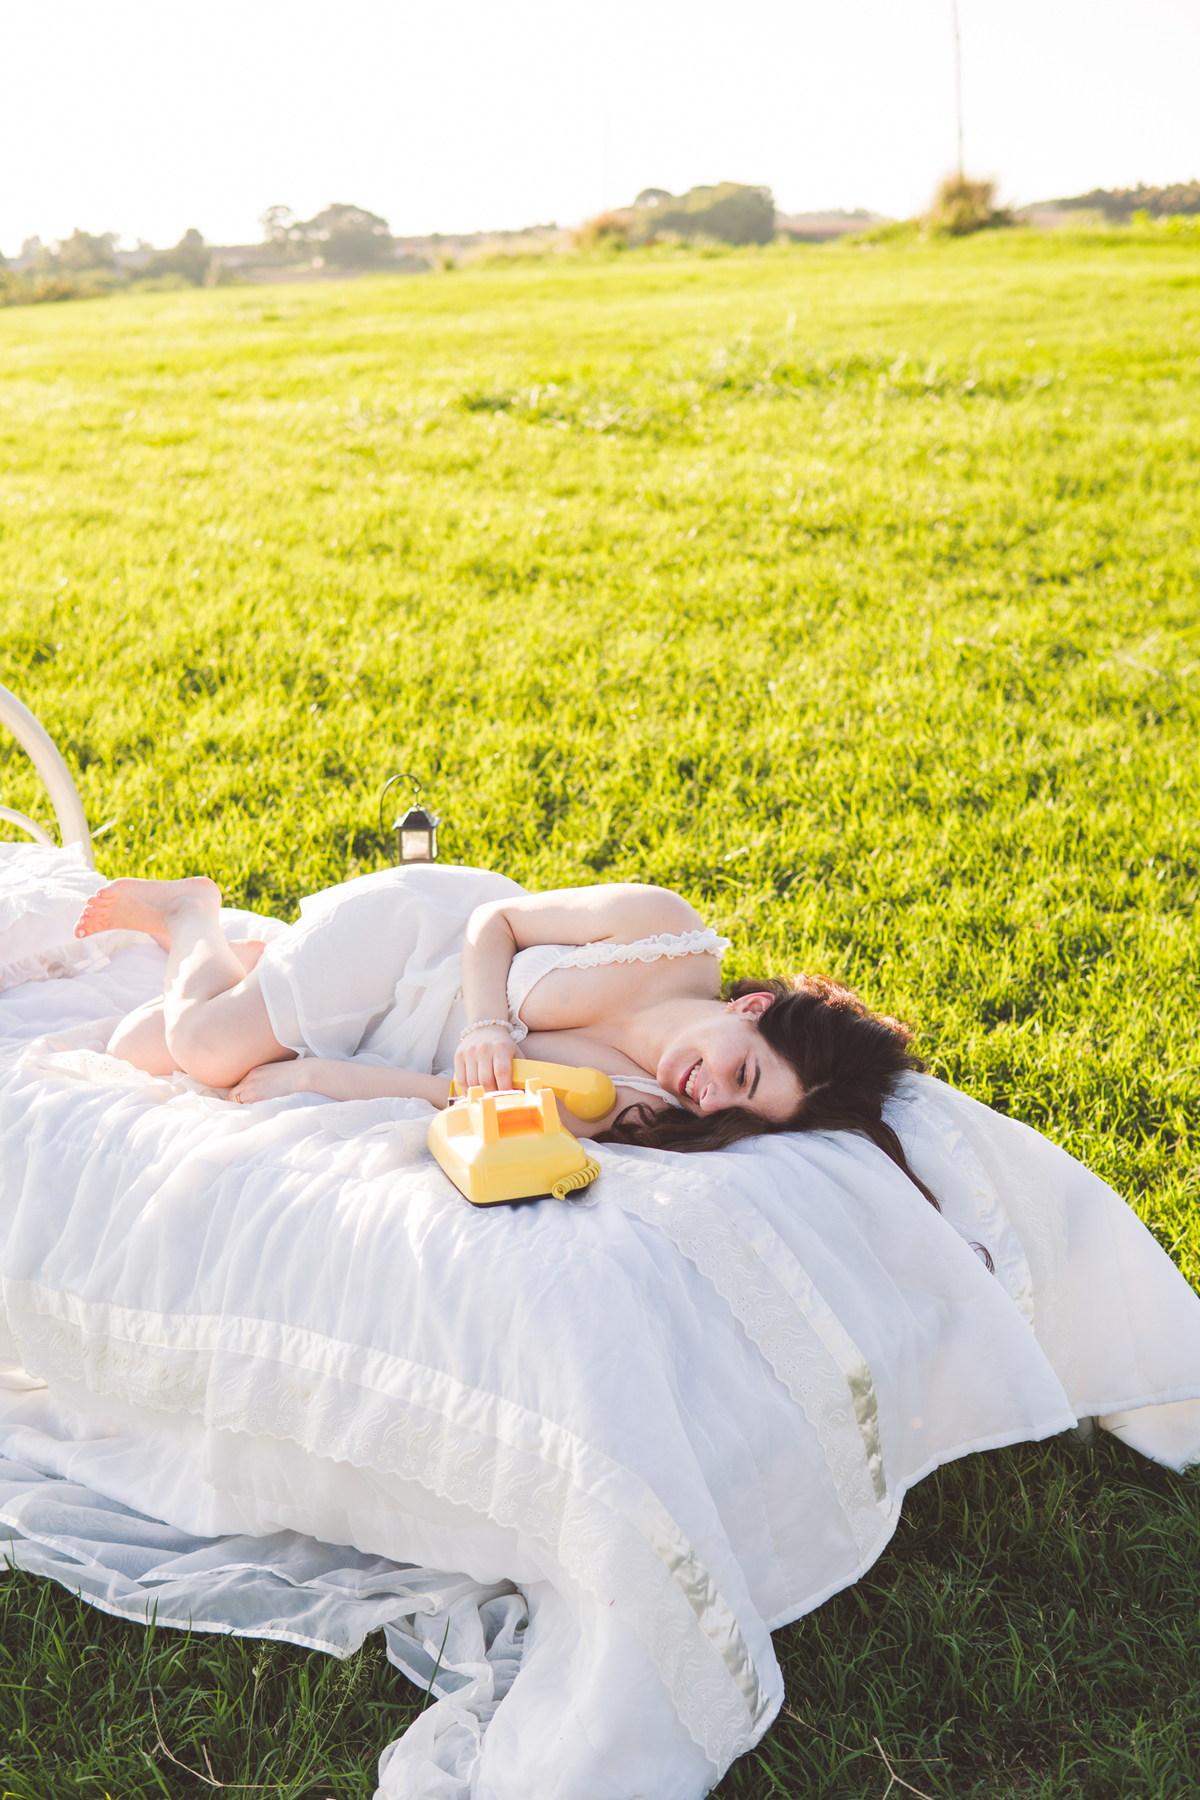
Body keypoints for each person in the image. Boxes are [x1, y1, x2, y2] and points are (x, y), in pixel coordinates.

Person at [75, 862, 936, 1202]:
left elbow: (461, 1094)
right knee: (203, 1051)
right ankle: (192, 917)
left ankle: (256, 966)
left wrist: (326, 1081)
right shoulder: (664, 930)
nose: (710, 1096)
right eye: (740, 1073)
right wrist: (488, 1020)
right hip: (419, 941)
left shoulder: (634, 1105)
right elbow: (497, 921)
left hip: (407, 1036)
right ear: (750, 1011)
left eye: (746, 1111)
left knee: (133, 1051)